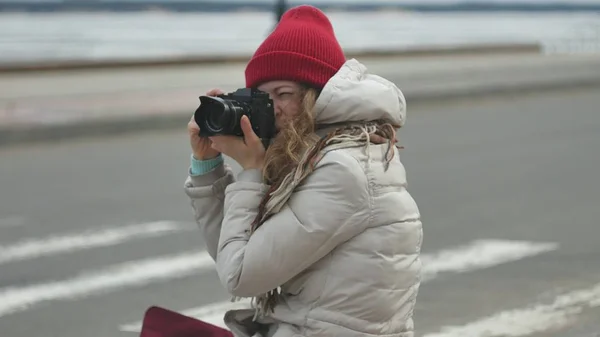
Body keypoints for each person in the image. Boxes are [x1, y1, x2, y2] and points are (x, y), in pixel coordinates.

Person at [184, 5, 423, 337]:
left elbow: (240, 275)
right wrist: (208, 165)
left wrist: (253, 171)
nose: (274, 109)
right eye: (263, 98)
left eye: (284, 94)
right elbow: (234, 253)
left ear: (318, 96)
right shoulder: (308, 153)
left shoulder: (343, 168)